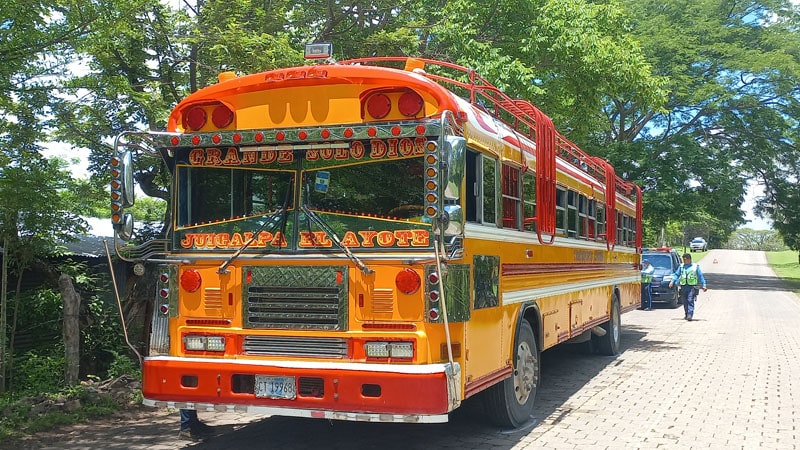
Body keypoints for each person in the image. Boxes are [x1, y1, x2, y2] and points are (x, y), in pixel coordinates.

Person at [668, 253, 708, 321]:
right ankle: (686, 314)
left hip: (691, 286)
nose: (684, 261)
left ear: (689, 259)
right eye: (683, 259)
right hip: (683, 286)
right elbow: (677, 275)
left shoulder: (695, 266)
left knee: (690, 300)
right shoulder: (681, 266)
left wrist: (704, 285)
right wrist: (672, 282)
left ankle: (690, 315)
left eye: (685, 259)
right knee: (684, 301)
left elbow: (700, 276)